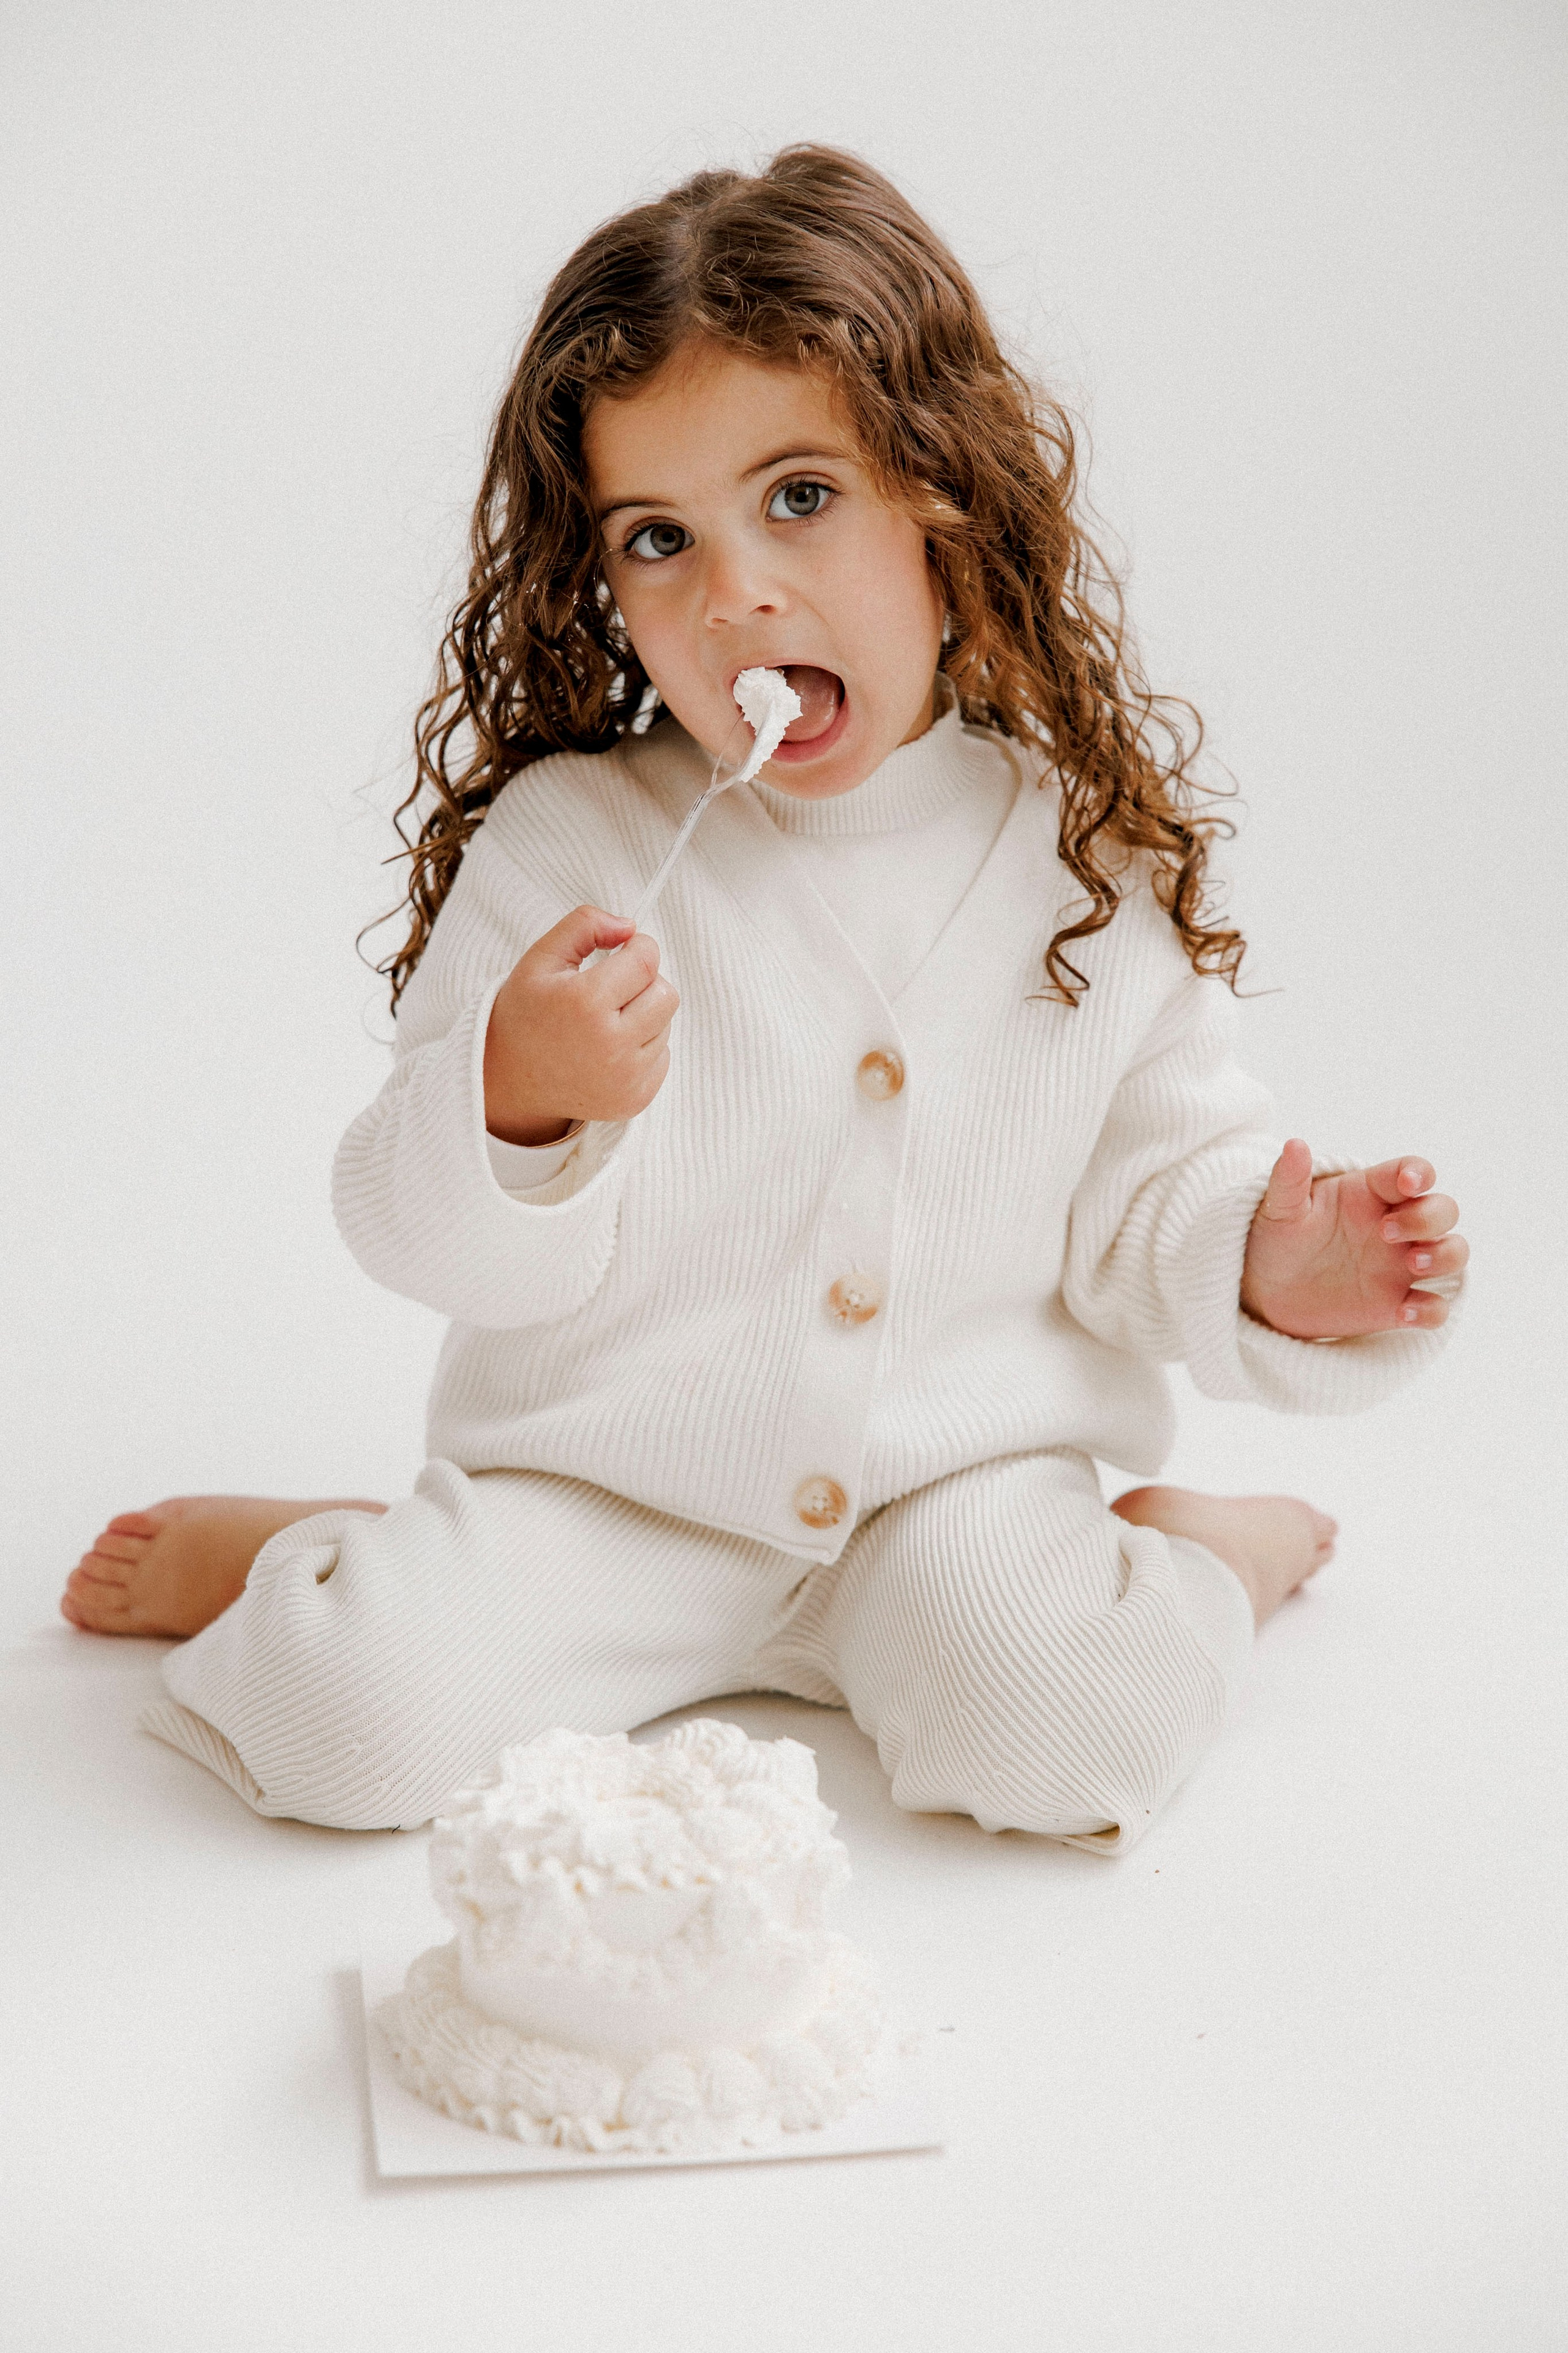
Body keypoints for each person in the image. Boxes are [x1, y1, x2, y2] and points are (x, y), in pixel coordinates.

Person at [62, 147, 1465, 1849]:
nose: (737, 594)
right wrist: (516, 1099)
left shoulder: (1080, 856)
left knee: (1077, 1727)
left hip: (950, 1499)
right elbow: (405, 1222)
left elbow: (1154, 1193)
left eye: (800, 497)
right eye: (663, 539)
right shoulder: (579, 840)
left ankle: (1207, 1551)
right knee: (342, 1722)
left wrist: (1273, 1262)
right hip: (604, 1492)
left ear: (948, 499)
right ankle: (324, 1549)